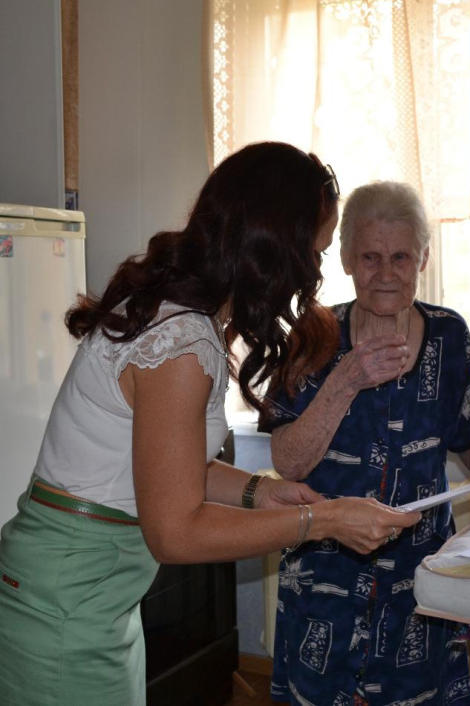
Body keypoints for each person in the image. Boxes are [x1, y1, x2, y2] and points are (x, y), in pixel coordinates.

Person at [0, 144, 420, 706]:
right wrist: (320, 521)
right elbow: (175, 532)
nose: (316, 273)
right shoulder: (180, 341)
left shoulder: (183, 316)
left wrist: (259, 492)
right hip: (66, 602)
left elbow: (167, 468)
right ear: (273, 250)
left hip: (89, 591)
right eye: (312, 254)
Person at [261, 180, 470, 706]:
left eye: (401, 257)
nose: (385, 273)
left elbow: (468, 430)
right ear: (346, 259)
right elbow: (288, 462)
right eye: (370, 257)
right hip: (327, 574)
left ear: (423, 259)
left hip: (420, 576)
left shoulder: (449, 335)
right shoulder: (311, 335)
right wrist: (346, 379)